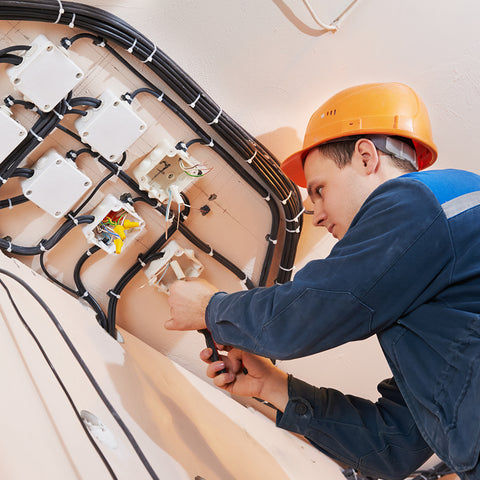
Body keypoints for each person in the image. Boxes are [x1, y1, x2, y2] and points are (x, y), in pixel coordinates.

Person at [165, 83, 480, 480]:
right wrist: (275, 388)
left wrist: (210, 309)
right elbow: (395, 447)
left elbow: (308, 313)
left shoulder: (421, 200)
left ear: (366, 157)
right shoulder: (431, 288)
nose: (315, 214)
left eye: (319, 189)